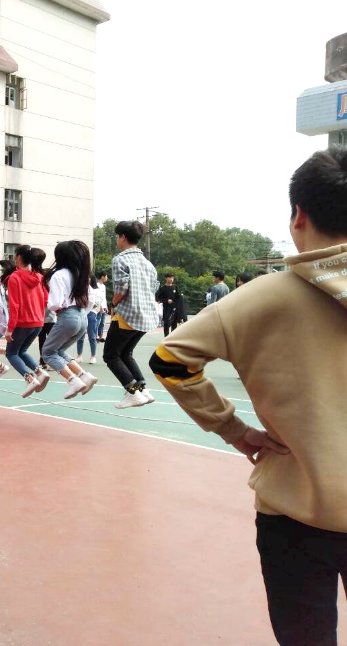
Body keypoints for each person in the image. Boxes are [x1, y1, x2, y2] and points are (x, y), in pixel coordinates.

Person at [148, 146, 347, 645]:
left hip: (297, 513)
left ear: (298, 214)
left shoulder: (262, 298)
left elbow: (169, 359)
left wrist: (234, 430)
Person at [103, 221, 159, 409]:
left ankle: (132, 392)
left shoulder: (120, 259)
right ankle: (142, 389)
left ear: (123, 237)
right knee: (126, 353)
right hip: (146, 316)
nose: (117, 241)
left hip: (127, 315)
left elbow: (121, 289)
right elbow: (153, 288)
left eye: (118, 237)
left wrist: (113, 303)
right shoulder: (148, 264)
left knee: (111, 355)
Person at [41, 241, 98, 399]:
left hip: (67, 316)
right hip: (82, 316)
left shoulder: (58, 275)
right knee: (58, 351)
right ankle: (83, 375)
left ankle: (73, 381)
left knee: (47, 353)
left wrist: (51, 306)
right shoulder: (81, 274)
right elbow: (91, 298)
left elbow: (54, 304)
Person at [5, 245, 50, 397]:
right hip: (38, 321)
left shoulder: (15, 277)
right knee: (22, 351)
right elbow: (45, 299)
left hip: (22, 322)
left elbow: (14, 305)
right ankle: (40, 372)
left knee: (11, 353)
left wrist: (10, 328)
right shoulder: (39, 276)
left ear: (18, 257)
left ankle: (29, 378)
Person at [76, 272, 105, 363]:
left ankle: (93, 356)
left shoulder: (96, 290)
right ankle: (79, 355)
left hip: (91, 313)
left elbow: (98, 302)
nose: (86, 279)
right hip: (82, 312)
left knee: (92, 336)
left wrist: (96, 309)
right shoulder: (81, 289)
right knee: (80, 335)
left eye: (88, 278)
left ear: (91, 279)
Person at [154, 272, 181, 337]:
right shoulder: (162, 288)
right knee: (166, 323)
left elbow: (178, 297)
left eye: (172, 278)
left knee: (174, 323)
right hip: (166, 309)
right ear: (166, 279)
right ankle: (166, 337)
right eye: (169, 278)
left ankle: (172, 338)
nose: (171, 279)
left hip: (174, 308)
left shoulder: (175, 287)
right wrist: (166, 300)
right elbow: (157, 297)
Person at [95, 271, 109, 341]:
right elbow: (97, 297)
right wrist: (100, 306)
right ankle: (95, 336)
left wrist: (106, 306)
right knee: (97, 321)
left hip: (103, 306)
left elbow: (104, 297)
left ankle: (100, 336)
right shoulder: (96, 285)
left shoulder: (103, 286)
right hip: (98, 307)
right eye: (106, 276)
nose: (107, 278)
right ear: (102, 277)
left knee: (102, 322)